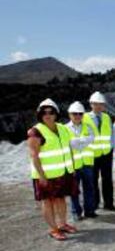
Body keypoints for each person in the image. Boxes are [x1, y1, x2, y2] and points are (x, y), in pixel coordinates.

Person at [27, 98, 78, 241]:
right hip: (45, 175)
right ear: (40, 114)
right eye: (44, 112)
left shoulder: (62, 128)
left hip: (62, 172)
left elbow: (68, 149)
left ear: (56, 114)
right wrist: (41, 176)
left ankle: (62, 224)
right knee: (48, 202)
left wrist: (71, 167)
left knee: (60, 199)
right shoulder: (35, 132)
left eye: (51, 112)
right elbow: (34, 156)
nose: (47, 115)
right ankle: (53, 229)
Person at [83, 91, 115, 211]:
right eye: (96, 104)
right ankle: (95, 204)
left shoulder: (107, 117)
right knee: (93, 180)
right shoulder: (84, 117)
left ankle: (109, 203)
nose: (98, 106)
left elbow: (111, 134)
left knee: (107, 180)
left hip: (106, 154)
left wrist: (111, 148)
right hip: (92, 154)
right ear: (91, 104)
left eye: (101, 104)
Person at [66, 101, 98, 220]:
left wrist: (76, 142)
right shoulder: (65, 129)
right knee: (74, 190)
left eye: (80, 113)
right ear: (70, 114)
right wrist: (82, 141)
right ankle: (76, 213)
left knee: (89, 188)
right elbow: (69, 144)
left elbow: (91, 139)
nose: (78, 116)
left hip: (87, 164)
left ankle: (89, 211)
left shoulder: (87, 127)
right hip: (74, 165)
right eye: (75, 114)